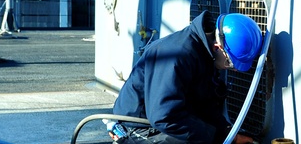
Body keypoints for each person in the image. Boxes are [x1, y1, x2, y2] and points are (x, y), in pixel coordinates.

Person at [112, 10, 263, 144]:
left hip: (162, 118)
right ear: (218, 48)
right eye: (231, 64)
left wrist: (228, 132)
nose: (234, 70)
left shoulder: (204, 54)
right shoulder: (177, 56)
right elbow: (164, 116)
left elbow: (204, 105)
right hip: (138, 126)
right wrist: (217, 137)